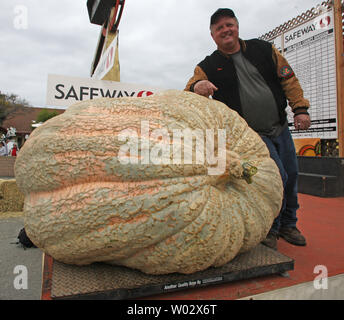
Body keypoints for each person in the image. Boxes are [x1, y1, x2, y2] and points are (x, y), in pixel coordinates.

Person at [185, 8, 311, 250]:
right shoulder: (209, 65)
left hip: (279, 126)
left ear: (237, 26)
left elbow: (288, 79)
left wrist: (300, 109)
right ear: (212, 36)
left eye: (229, 24)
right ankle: (270, 228)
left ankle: (288, 224)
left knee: (292, 175)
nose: (225, 30)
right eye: (219, 28)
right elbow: (190, 87)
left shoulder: (263, 49)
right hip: (250, 136)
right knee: (276, 177)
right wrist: (197, 85)